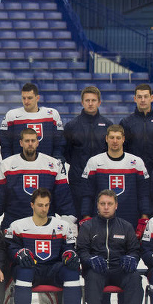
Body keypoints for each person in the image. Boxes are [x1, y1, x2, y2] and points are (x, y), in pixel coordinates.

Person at [6, 188, 82, 304]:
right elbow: (10, 247)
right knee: (23, 270)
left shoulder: (62, 226)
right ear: (32, 205)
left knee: (72, 270)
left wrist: (69, 254)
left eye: (47, 205)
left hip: (53, 268)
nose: (44, 209)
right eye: (40, 205)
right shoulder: (18, 226)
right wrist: (18, 253)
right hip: (32, 268)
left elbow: (68, 247)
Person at [76, 190, 143, 304]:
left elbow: (135, 250)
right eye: (102, 204)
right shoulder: (88, 227)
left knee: (135, 277)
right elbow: (81, 250)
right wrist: (89, 260)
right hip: (97, 269)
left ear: (116, 206)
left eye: (109, 204)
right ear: (97, 206)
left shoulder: (126, 226)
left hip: (120, 268)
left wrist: (131, 258)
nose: (106, 207)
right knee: (92, 277)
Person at [0, 128, 75, 230]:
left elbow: (64, 200)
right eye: (27, 141)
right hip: (13, 226)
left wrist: (65, 226)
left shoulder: (54, 165)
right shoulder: (6, 165)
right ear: (21, 143)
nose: (30, 144)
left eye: (33, 141)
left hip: (45, 227)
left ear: (38, 142)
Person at [80, 125, 151, 228]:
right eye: (112, 137)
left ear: (123, 139)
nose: (115, 141)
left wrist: (144, 216)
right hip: (101, 220)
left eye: (118, 138)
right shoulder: (94, 162)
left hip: (130, 218)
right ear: (106, 139)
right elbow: (87, 193)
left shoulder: (136, 162)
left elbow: (144, 193)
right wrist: (86, 216)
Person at [63, 86, 113, 219]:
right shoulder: (71, 126)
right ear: (82, 102)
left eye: (93, 100)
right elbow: (67, 153)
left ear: (99, 102)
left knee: (102, 217)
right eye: (87, 100)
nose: (90, 103)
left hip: (101, 179)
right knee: (80, 218)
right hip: (78, 180)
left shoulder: (108, 125)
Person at [0, 83, 64, 161]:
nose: (26, 101)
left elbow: (59, 143)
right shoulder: (11, 116)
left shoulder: (52, 115)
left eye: (29, 98)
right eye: (24, 98)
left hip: (47, 167)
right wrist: (9, 164)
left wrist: (56, 161)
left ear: (37, 98)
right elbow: (5, 146)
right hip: (19, 166)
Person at [120, 83, 153, 172]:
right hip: (133, 171)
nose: (143, 100)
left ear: (151, 98)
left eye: (146, 96)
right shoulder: (126, 122)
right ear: (135, 99)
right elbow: (122, 149)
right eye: (139, 97)